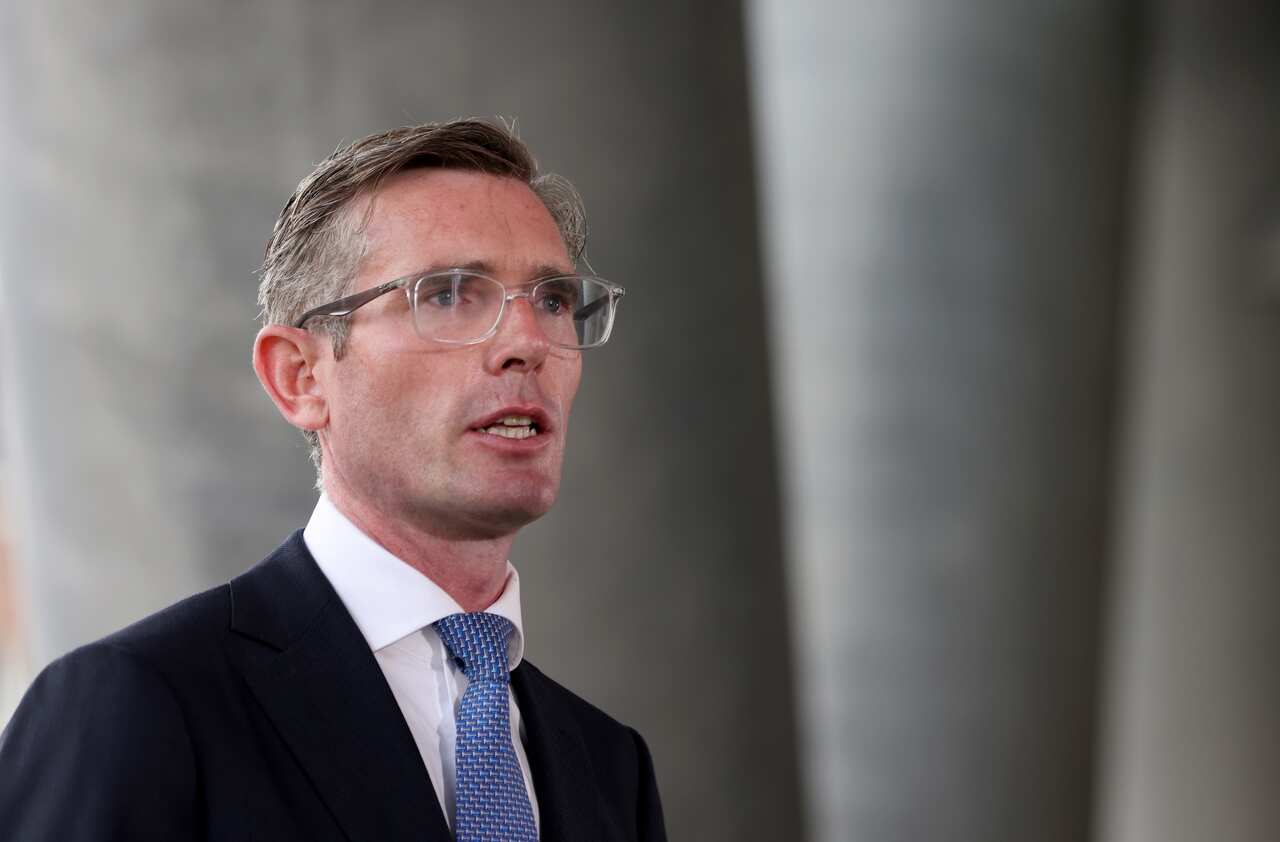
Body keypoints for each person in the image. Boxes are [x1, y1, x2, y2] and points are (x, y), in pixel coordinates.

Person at [0, 120, 667, 842]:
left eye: (554, 301)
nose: (528, 344)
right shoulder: (136, 705)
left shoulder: (607, 765)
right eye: (448, 294)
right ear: (301, 377)